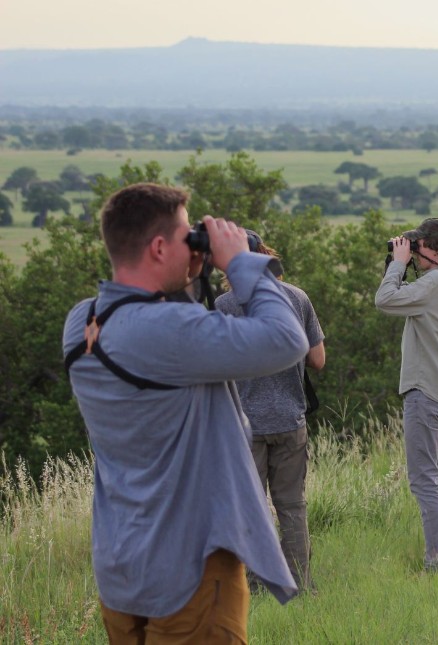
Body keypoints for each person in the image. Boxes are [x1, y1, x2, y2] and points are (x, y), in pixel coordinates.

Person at [63, 183, 309, 641]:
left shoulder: (82, 321)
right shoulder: (166, 331)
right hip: (190, 571)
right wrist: (240, 262)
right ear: (159, 247)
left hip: (121, 566)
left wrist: (188, 277)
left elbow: (165, 335)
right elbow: (287, 340)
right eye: (186, 236)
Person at [215, 232, 326, 593]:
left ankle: (254, 584)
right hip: (291, 418)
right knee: (292, 506)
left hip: (245, 424)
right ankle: (299, 583)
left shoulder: (225, 304)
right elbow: (318, 360)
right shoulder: (297, 297)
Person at [376, 217, 438, 570]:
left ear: (432, 248)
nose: (412, 252)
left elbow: (385, 299)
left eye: (417, 246)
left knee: (424, 480)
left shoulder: (435, 283)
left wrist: (397, 265)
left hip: (425, 391)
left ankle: (437, 562)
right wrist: (402, 264)